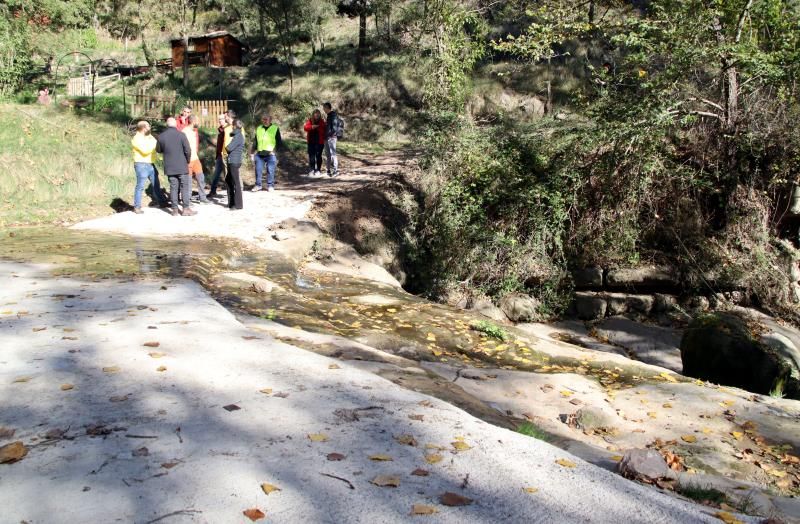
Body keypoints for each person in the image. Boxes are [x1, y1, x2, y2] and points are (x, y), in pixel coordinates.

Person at [157, 117, 196, 216]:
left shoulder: (161, 136)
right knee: (184, 187)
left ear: (167, 125)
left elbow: (158, 150)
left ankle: (174, 210)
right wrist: (187, 160)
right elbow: (188, 150)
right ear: (175, 124)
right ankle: (186, 209)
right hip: (182, 165)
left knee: (173, 187)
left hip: (169, 166)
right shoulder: (181, 135)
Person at [131, 120, 164, 213]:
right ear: (143, 128)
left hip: (151, 164)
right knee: (140, 186)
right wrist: (154, 144)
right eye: (148, 126)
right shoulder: (136, 138)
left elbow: (156, 144)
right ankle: (137, 207)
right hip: (141, 164)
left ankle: (162, 202)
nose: (150, 127)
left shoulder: (149, 136)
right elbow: (145, 150)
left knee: (156, 184)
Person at [251, 113, 283, 192]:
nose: (264, 121)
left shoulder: (275, 128)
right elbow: (255, 141)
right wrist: (252, 152)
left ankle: (270, 186)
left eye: (266, 119)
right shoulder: (259, 128)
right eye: (263, 119)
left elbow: (279, 142)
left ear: (270, 120)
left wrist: (274, 151)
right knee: (258, 170)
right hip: (260, 153)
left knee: (270, 170)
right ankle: (258, 185)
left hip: (270, 154)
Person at [182, 115, 209, 204]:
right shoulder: (185, 132)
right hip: (188, 160)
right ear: (193, 121)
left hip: (195, 158)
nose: (199, 122)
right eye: (197, 121)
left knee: (201, 177)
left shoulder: (194, 131)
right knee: (188, 180)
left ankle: (202, 197)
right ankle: (188, 199)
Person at [208, 113, 230, 199]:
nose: (220, 121)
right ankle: (213, 191)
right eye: (219, 119)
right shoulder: (220, 129)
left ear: (225, 119)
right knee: (216, 174)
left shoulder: (228, 129)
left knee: (227, 174)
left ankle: (230, 191)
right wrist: (217, 155)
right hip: (220, 155)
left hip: (227, 155)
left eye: (221, 119)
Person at [225, 119, 245, 210]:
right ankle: (232, 203)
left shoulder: (238, 136)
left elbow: (229, 148)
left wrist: (226, 146)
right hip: (233, 161)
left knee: (235, 182)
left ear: (234, 126)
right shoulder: (237, 135)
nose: (231, 127)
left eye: (232, 126)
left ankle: (238, 205)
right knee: (228, 180)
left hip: (234, 161)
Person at [303, 109, 326, 177]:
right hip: (311, 141)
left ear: (319, 115)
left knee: (318, 156)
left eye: (318, 114)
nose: (317, 115)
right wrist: (312, 127)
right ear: (313, 115)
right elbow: (305, 128)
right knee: (311, 156)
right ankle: (312, 170)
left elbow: (324, 130)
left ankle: (318, 170)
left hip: (319, 142)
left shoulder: (322, 121)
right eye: (315, 114)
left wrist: (318, 128)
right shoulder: (310, 121)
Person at [322, 102, 339, 177]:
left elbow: (334, 128)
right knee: (328, 155)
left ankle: (335, 170)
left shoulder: (333, 115)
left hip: (331, 138)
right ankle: (328, 171)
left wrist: (329, 135)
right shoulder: (328, 116)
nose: (323, 109)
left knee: (333, 154)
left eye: (324, 108)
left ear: (327, 107)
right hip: (327, 138)